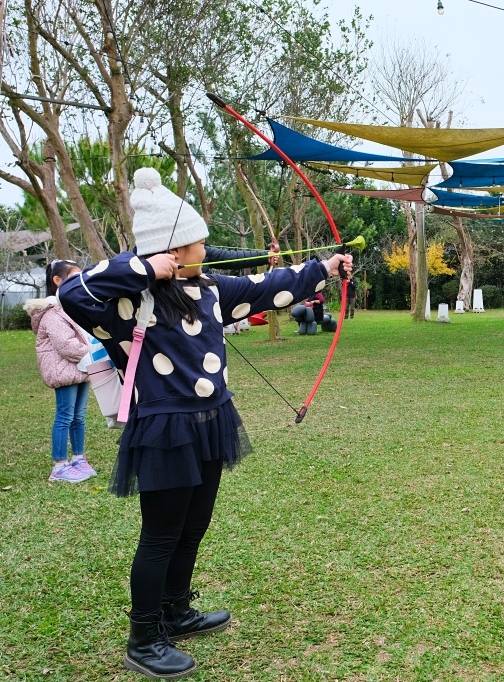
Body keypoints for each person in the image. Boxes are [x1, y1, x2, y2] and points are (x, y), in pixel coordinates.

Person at [58, 167, 352, 680]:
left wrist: (324, 266)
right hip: (164, 428)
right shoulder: (130, 300)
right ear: (169, 251)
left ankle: (175, 610)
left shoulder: (213, 289)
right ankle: (144, 637)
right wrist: (146, 269)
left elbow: (269, 286)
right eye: (194, 244)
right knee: (161, 534)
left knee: (194, 525)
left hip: (211, 421)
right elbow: (73, 294)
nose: (204, 250)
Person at [24, 260, 98, 483]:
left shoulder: (70, 307)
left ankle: (78, 458)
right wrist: (92, 352)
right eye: (74, 278)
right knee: (65, 416)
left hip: (81, 369)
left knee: (79, 417)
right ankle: (59, 466)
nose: (80, 283)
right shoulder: (52, 312)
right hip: (66, 372)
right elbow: (67, 345)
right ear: (57, 281)